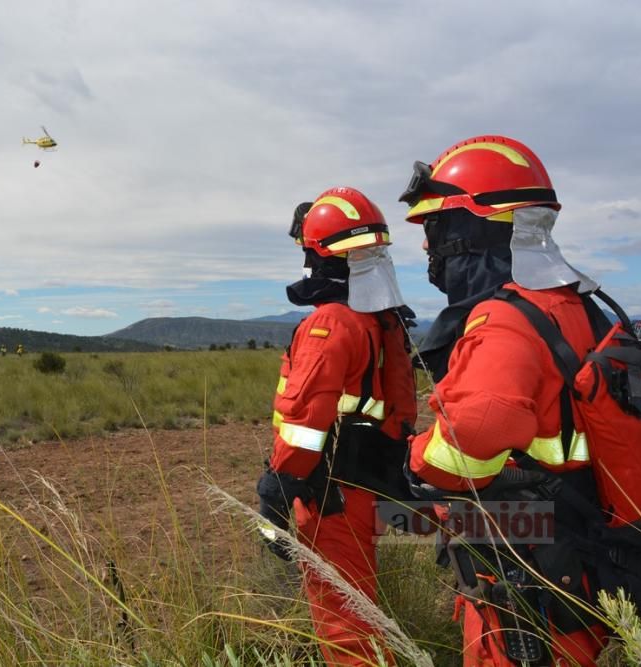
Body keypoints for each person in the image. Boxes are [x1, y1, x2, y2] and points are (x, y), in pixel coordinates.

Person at [399, 135, 615, 666]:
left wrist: (418, 456)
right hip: (586, 558)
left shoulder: (505, 321)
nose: (428, 247)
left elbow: (474, 436)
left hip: (528, 576)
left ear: (471, 228)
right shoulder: (580, 309)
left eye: (436, 227)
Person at [257, 188, 417, 665]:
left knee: (343, 623)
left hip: (329, 491)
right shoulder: (381, 321)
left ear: (320, 255)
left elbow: (305, 420)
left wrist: (277, 487)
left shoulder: (330, 324)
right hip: (369, 483)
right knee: (359, 610)